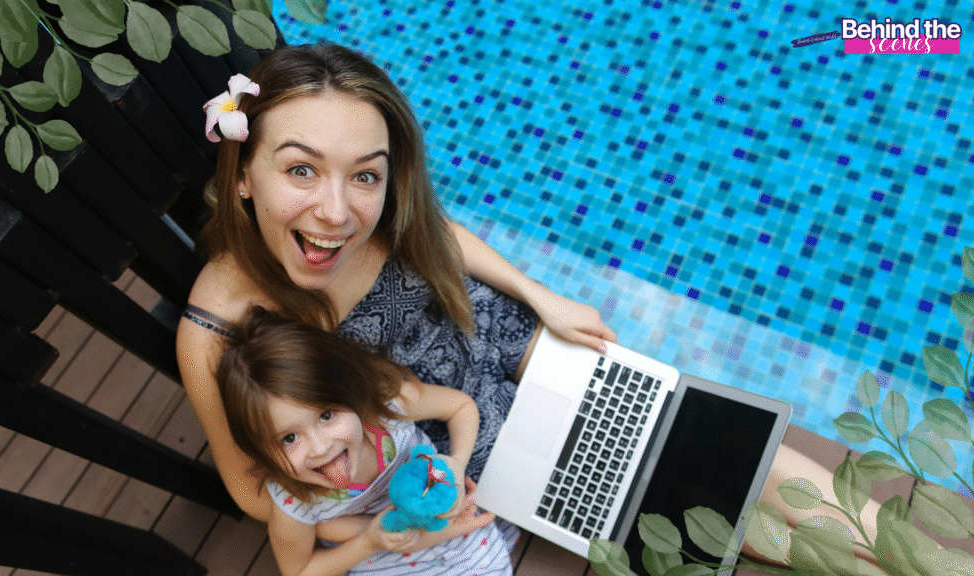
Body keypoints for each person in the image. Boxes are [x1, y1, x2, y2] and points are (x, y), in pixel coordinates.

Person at [177, 41, 878, 570]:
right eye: (300, 168)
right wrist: (360, 496)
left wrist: (541, 297)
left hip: (494, 331)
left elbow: (438, 235)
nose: (336, 213)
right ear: (243, 175)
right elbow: (251, 492)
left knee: (682, 421)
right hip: (448, 431)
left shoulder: (376, 210)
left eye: (366, 175)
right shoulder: (215, 324)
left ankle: (918, 549)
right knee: (654, 494)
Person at [215, 307, 518, 575]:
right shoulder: (296, 501)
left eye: (326, 415)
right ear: (260, 451)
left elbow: (460, 407)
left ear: (351, 391)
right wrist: (367, 542)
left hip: (464, 544)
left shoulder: (389, 410)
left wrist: (456, 463)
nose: (321, 448)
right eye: (289, 438)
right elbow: (298, 569)